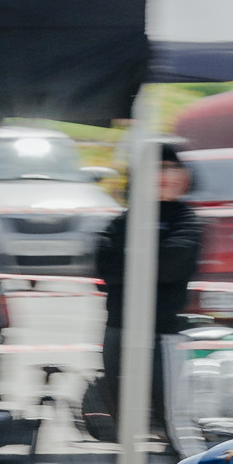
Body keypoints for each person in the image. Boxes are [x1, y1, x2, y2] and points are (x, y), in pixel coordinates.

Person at [83, 144, 202, 441]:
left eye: (172, 168)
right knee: (123, 419)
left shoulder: (186, 220)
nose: (166, 176)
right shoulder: (122, 221)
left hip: (162, 334)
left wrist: (130, 261)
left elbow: (174, 264)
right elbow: (103, 270)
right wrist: (149, 261)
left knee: (174, 422)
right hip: (118, 330)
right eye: (158, 168)